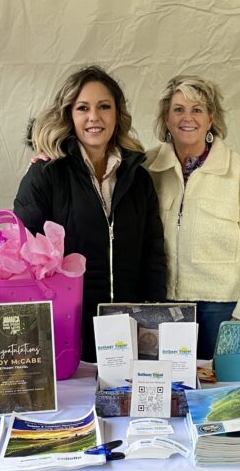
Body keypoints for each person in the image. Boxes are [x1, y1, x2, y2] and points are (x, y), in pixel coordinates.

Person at [14, 65, 167, 361]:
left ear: (117, 114)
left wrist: (152, 324)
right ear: (69, 115)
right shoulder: (46, 174)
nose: (94, 117)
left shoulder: (138, 178)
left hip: (129, 336)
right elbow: (23, 258)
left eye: (104, 107)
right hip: (66, 336)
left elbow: (153, 258)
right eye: (83, 108)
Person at [146, 75, 240, 359]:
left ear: (210, 119)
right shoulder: (148, 169)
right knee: (168, 383)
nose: (187, 118)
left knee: (222, 384)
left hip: (224, 309)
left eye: (197, 109)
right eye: (178, 109)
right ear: (166, 119)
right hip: (162, 304)